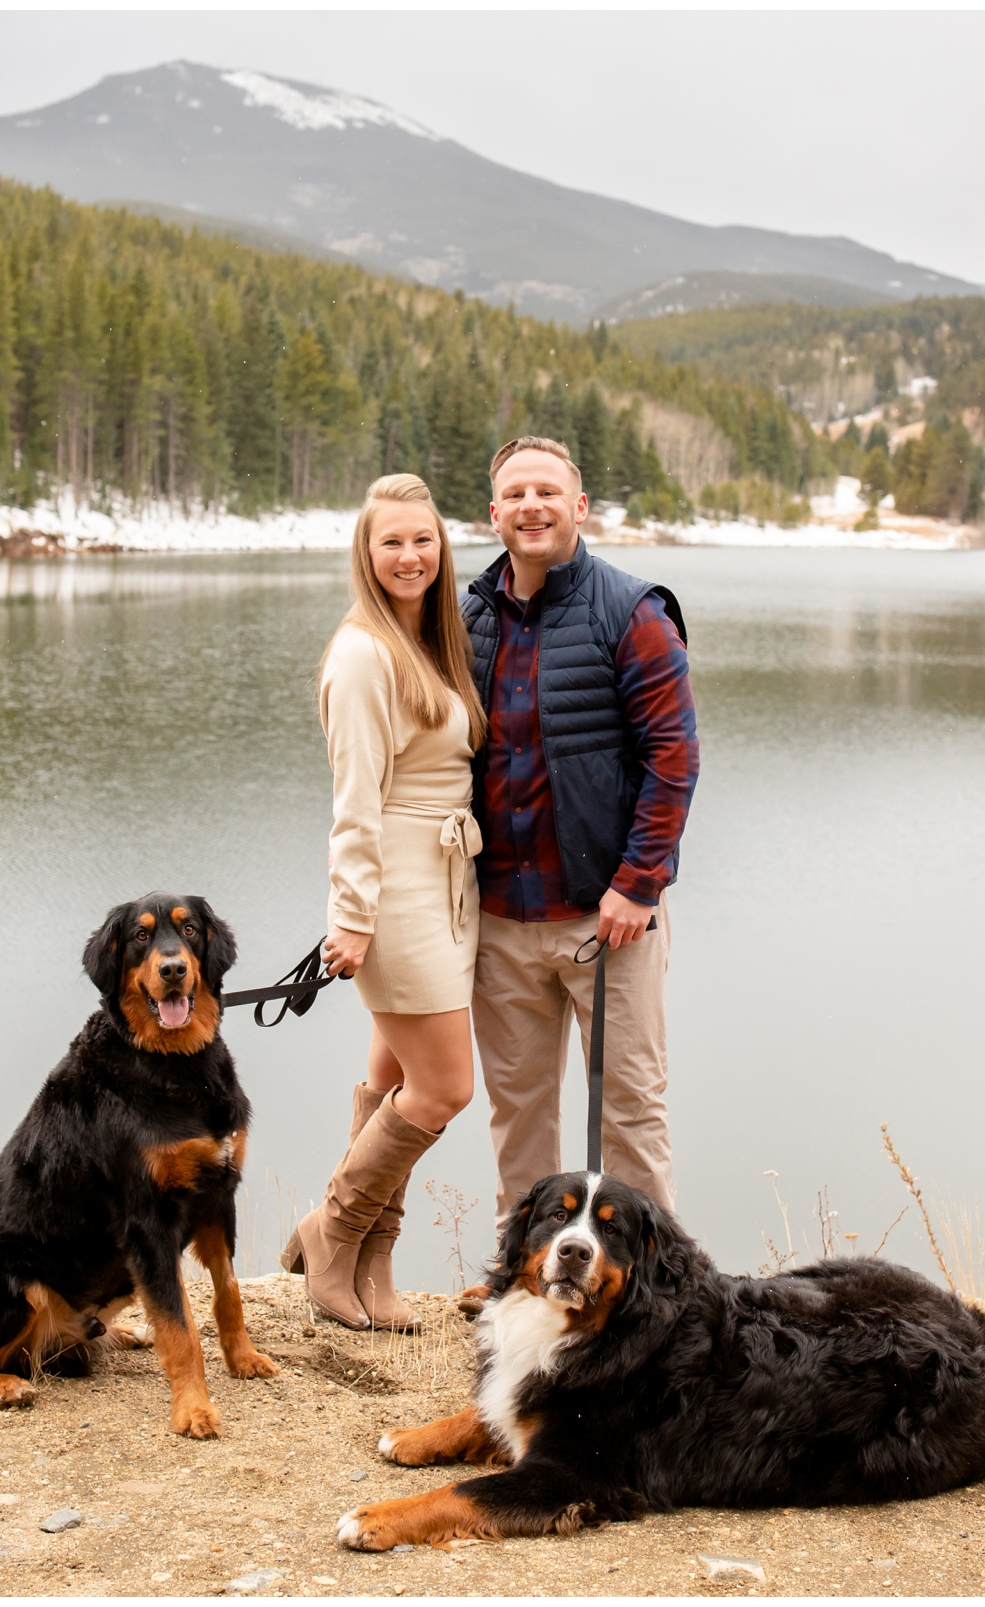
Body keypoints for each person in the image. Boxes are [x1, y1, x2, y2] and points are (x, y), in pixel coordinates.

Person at [455, 436, 699, 1313]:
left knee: (631, 1110)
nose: (531, 505)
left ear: (579, 505)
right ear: (494, 513)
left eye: (547, 491)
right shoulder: (469, 615)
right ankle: (523, 1288)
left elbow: (674, 758)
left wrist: (639, 883)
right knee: (520, 1118)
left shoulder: (630, 611)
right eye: (514, 493)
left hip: (610, 920)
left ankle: (659, 1298)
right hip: (501, 919)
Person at [280, 474, 487, 1331]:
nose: (410, 556)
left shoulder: (432, 641)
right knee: (444, 1089)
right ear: (366, 554)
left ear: (442, 549)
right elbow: (354, 803)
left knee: (390, 1077)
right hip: (397, 889)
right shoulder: (364, 652)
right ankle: (331, 1231)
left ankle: (371, 1264)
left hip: (448, 882)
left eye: (423, 540)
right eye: (391, 541)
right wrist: (353, 914)